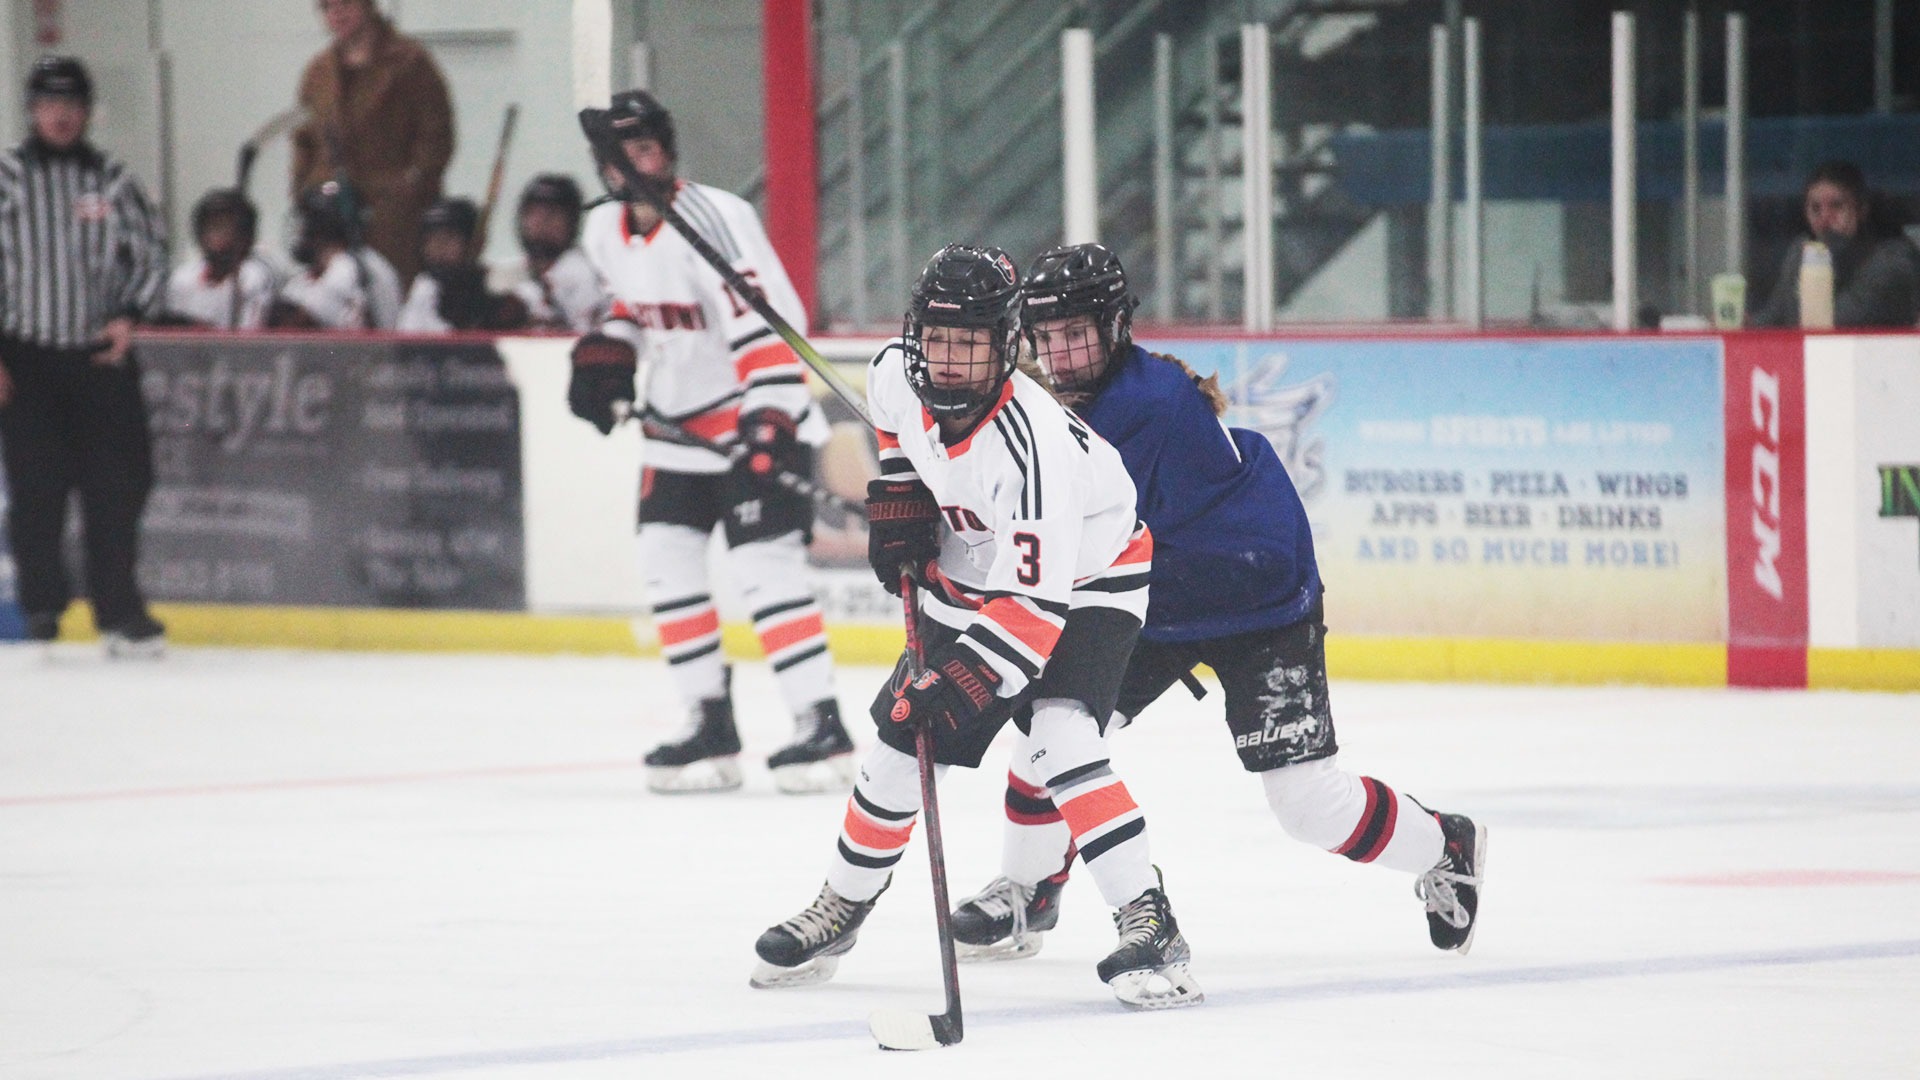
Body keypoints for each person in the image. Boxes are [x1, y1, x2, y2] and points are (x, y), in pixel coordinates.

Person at [942, 243, 1486, 963]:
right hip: (1155, 595)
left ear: (1114, 328)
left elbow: (1046, 522)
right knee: (1053, 723)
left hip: (1255, 595)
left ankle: (1445, 845)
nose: (1064, 353)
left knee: (1306, 805)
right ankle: (1027, 890)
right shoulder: (1071, 402)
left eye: (1079, 333)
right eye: (1049, 337)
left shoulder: (1142, 406)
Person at [750, 245, 1203, 1010]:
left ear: (1007, 345)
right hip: (975, 566)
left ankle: (1148, 920)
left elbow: (1031, 612)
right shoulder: (896, 370)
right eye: (938, 339)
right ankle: (841, 907)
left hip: (1089, 579)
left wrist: (959, 682)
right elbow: (895, 429)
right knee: (900, 741)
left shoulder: (1031, 453)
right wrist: (900, 493)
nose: (949, 361)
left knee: (1059, 736)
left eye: (971, 344)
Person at [569, 90, 851, 795]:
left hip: (758, 416)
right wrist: (608, 354)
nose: (638, 166)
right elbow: (633, 308)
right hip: (676, 431)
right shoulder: (603, 231)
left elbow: (767, 322)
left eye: (648, 150)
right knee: (666, 563)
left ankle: (820, 723)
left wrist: (767, 419)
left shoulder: (713, 217)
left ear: (667, 152)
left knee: (765, 568)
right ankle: (709, 722)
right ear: (605, 167)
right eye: (624, 155)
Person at [0, 56, 169, 656]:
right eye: (51, 103)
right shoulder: (7, 177)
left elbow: (152, 253)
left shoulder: (114, 180)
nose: (63, 115)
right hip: (27, 361)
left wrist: (130, 316)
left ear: (89, 111)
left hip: (98, 361)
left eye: (73, 103)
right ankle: (43, 605)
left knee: (120, 486)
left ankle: (118, 609)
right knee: (38, 489)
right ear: (32, 109)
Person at [291, 0, 454, 283]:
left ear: (368, 5)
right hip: (330, 214)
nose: (337, 13)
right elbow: (304, 138)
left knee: (389, 294)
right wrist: (302, 191)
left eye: (345, 3)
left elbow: (436, 136)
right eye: (328, 7)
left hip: (392, 216)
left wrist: (411, 184)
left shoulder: (410, 62)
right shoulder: (318, 71)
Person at [1754, 160, 1920, 329]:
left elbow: (1832, 322)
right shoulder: (1801, 253)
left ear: (1861, 209)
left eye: (1837, 206)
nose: (1825, 218)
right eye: (1815, 208)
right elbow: (1773, 317)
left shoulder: (1892, 261)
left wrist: (1831, 253)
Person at [272, 179, 403, 331]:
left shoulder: (351, 268)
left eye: (307, 222)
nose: (300, 232)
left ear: (323, 226)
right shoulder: (308, 277)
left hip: (362, 353)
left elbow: (301, 322)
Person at [489, 174, 605, 332]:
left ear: (572, 222)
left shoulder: (587, 272)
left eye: (553, 213)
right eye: (533, 212)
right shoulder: (505, 274)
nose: (541, 221)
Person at [396, 197, 528, 332]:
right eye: (430, 240)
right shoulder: (424, 287)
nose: (438, 248)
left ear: (473, 244)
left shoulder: (497, 287)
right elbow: (407, 342)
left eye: (449, 238)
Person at [164, 188, 281, 330]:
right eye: (211, 226)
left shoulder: (254, 276)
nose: (215, 234)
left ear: (245, 233)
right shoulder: (183, 277)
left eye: (223, 225)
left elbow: (249, 336)